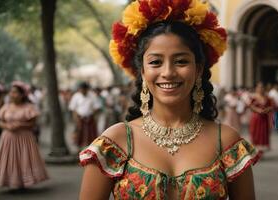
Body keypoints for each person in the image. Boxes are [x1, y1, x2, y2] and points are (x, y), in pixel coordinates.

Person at [79, 1, 261, 199]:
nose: (168, 73)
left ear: (198, 69)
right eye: (156, 62)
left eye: (181, 61)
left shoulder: (227, 141)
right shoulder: (116, 142)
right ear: (142, 71)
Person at [0, 81, 48, 189]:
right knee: (10, 160)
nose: (12, 94)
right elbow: (0, 122)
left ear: (22, 94)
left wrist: (20, 125)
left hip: (24, 138)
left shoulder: (29, 107)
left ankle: (24, 182)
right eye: (11, 92)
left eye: (15, 92)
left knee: (23, 160)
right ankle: (11, 182)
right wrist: (7, 126)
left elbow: (33, 123)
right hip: (8, 138)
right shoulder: (6, 106)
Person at [69, 82, 101, 149]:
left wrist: (93, 115)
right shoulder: (76, 96)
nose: (83, 91)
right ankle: (79, 149)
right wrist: (75, 119)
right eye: (81, 89)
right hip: (80, 118)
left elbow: (97, 107)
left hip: (90, 118)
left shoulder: (92, 95)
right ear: (79, 89)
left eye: (84, 89)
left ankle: (90, 149)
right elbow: (73, 109)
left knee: (91, 135)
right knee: (79, 135)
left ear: (87, 89)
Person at [248, 82, 275, 152]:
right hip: (256, 118)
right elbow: (250, 106)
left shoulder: (267, 98)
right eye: (259, 87)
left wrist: (267, 109)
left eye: (262, 87)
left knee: (263, 133)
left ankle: (261, 150)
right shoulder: (253, 97)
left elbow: (272, 106)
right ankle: (255, 149)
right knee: (255, 133)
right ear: (256, 88)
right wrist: (258, 110)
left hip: (264, 118)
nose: (260, 89)